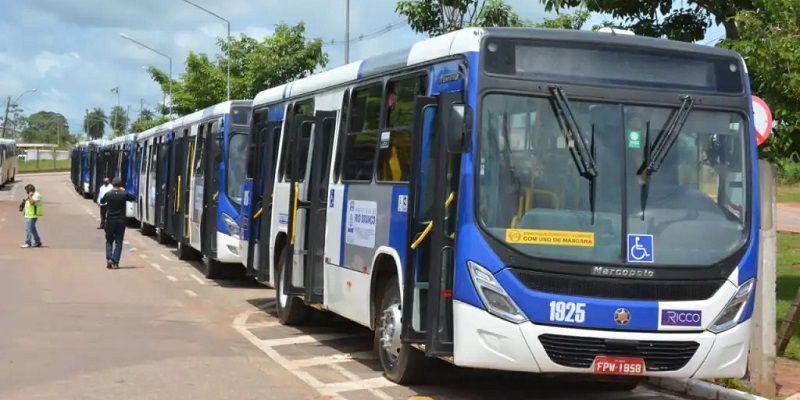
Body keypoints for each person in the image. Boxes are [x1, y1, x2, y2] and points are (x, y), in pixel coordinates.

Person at [100, 177, 135, 269]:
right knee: (119, 242)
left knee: (109, 241)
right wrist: (124, 191)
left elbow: (102, 201)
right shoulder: (124, 194)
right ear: (120, 185)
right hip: (121, 221)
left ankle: (109, 258)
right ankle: (115, 261)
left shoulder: (109, 194)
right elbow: (133, 197)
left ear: (113, 185)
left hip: (110, 220)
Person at [20, 184, 43, 248]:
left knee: (28, 229)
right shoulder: (32, 195)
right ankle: (38, 242)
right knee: (33, 229)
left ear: (30, 190)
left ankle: (28, 242)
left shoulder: (36, 195)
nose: (26, 192)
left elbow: (32, 203)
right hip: (30, 214)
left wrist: (30, 196)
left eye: (27, 191)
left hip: (33, 215)